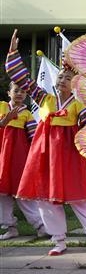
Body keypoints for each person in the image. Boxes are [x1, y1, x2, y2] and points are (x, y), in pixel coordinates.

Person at [5, 29, 86, 256]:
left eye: (68, 78)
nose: (62, 81)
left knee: (78, 197)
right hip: (44, 157)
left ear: (75, 83)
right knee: (47, 199)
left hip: (68, 156)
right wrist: (14, 53)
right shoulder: (44, 98)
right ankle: (58, 240)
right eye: (60, 77)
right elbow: (23, 80)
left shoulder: (78, 104)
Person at [0, 82, 46, 240]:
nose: (19, 94)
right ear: (8, 92)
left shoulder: (27, 114)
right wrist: (4, 121)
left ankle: (40, 225)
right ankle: (10, 227)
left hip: (19, 158)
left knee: (22, 192)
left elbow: (33, 138)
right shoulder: (1, 107)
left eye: (23, 92)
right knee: (2, 193)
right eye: (16, 90)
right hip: (2, 157)